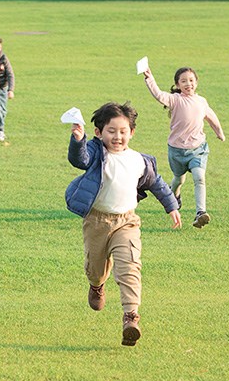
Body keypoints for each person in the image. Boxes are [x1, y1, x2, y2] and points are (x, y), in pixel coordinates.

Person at [65, 102, 181, 347]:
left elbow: (157, 184)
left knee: (129, 265)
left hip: (127, 222)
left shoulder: (139, 160)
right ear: (99, 132)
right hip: (97, 221)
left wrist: (171, 206)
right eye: (111, 131)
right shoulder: (97, 154)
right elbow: (80, 159)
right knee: (95, 267)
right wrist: (78, 139)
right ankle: (97, 286)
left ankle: (131, 317)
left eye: (123, 131)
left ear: (132, 132)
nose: (117, 136)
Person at [143, 66, 225, 228]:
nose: (188, 84)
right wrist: (149, 78)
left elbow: (211, 116)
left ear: (196, 82)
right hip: (177, 150)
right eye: (184, 81)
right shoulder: (175, 99)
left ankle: (200, 212)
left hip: (197, 149)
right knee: (178, 179)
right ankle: (173, 199)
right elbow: (158, 94)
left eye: (191, 80)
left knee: (199, 178)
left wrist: (219, 132)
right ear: (178, 85)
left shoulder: (201, 101)